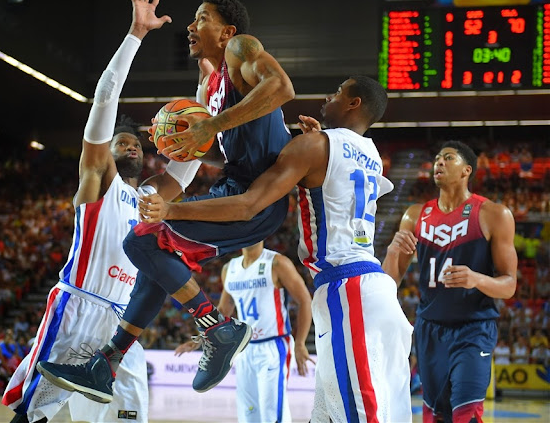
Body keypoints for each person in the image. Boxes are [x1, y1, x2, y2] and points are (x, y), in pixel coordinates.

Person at [37, 0, 295, 400]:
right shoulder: (208, 84)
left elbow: (281, 88)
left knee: (140, 239)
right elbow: (217, 142)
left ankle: (218, 328)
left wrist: (211, 127)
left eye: (201, 18)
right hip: (234, 184)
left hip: (259, 195)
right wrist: (183, 141)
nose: (190, 27)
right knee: (156, 258)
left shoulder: (241, 48)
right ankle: (106, 363)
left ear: (226, 31)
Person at [138, 76, 414, 422]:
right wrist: (315, 142)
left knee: (359, 414)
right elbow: (336, 172)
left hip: (348, 288)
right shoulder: (372, 153)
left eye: (339, 92)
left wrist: (172, 209)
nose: (328, 95)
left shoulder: (315, 146)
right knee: (344, 413)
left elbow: (248, 204)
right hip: (373, 289)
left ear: (354, 103)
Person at [2, 0, 187, 423]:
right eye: (121, 142)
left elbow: (185, 169)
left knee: (128, 419)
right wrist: (135, 36)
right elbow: (105, 100)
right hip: (78, 309)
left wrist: (207, 93)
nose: (132, 147)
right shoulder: (98, 180)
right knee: (34, 415)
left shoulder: (150, 198)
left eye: (138, 144)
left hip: (124, 327)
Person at [381, 140, 518, 423]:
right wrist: (393, 251)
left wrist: (476, 278)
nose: (439, 163)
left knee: (466, 414)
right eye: (437, 159)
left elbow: (509, 284)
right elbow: (389, 282)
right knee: (435, 416)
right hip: (429, 330)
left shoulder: (494, 214)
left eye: (448, 158)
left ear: (467, 170)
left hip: (474, 329)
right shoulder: (415, 215)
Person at [174, 241, 313, 423]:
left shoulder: (277, 263)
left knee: (272, 412)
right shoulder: (229, 269)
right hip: (243, 347)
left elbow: (305, 301)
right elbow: (223, 310)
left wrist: (300, 342)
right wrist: (199, 339)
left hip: (273, 345)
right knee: (249, 413)